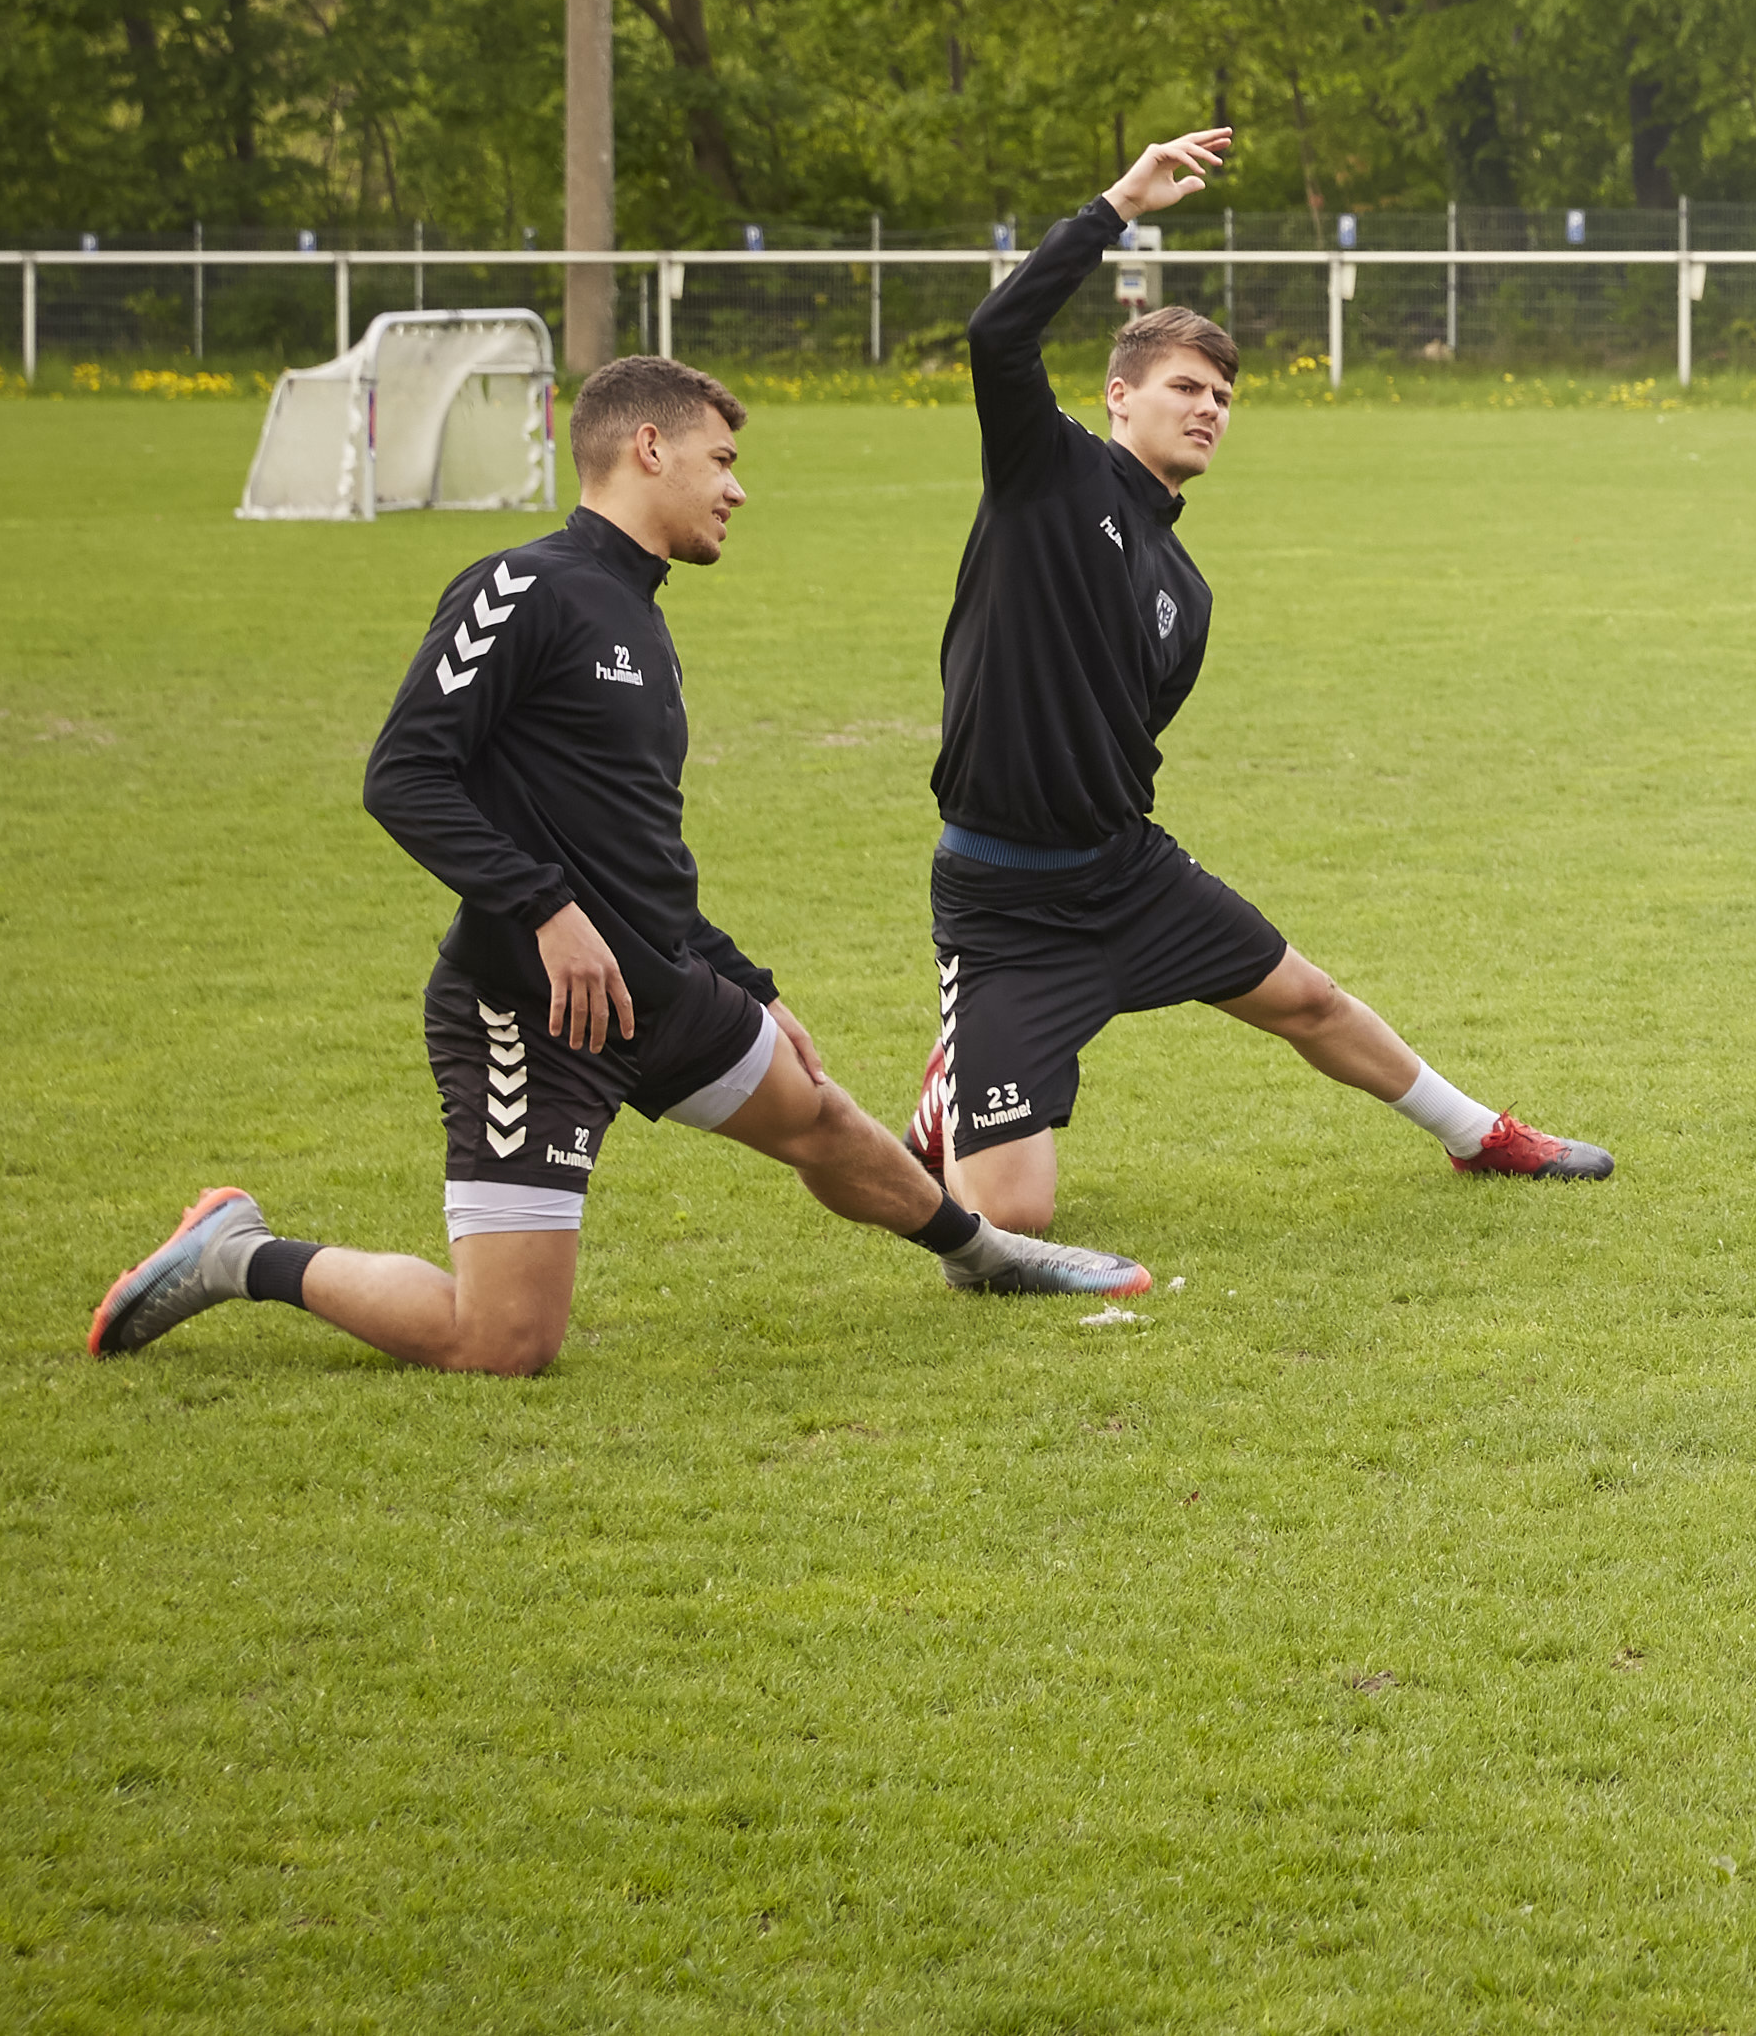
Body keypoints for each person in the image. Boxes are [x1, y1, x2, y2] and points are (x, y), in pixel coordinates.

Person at [89, 358, 1153, 1374]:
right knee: (502, 1344)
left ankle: (993, 1258)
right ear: (649, 447)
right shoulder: (523, 587)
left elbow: (637, 853)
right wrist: (543, 908)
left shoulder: (642, 620)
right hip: (531, 1012)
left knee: (822, 1118)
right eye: (722, 459)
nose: (738, 489)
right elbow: (403, 776)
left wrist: (749, 985)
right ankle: (237, 1253)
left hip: (660, 987)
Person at [901, 127, 1610, 1223]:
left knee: (1308, 998)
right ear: (1119, 395)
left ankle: (1483, 1138)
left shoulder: (1185, 587)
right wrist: (1118, 204)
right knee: (1013, 1223)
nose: (1209, 409)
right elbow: (997, 333)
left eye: (1224, 398)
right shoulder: (1046, 471)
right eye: (1186, 386)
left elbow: (1127, 741)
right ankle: (958, 1082)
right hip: (1006, 905)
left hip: (1124, 873)